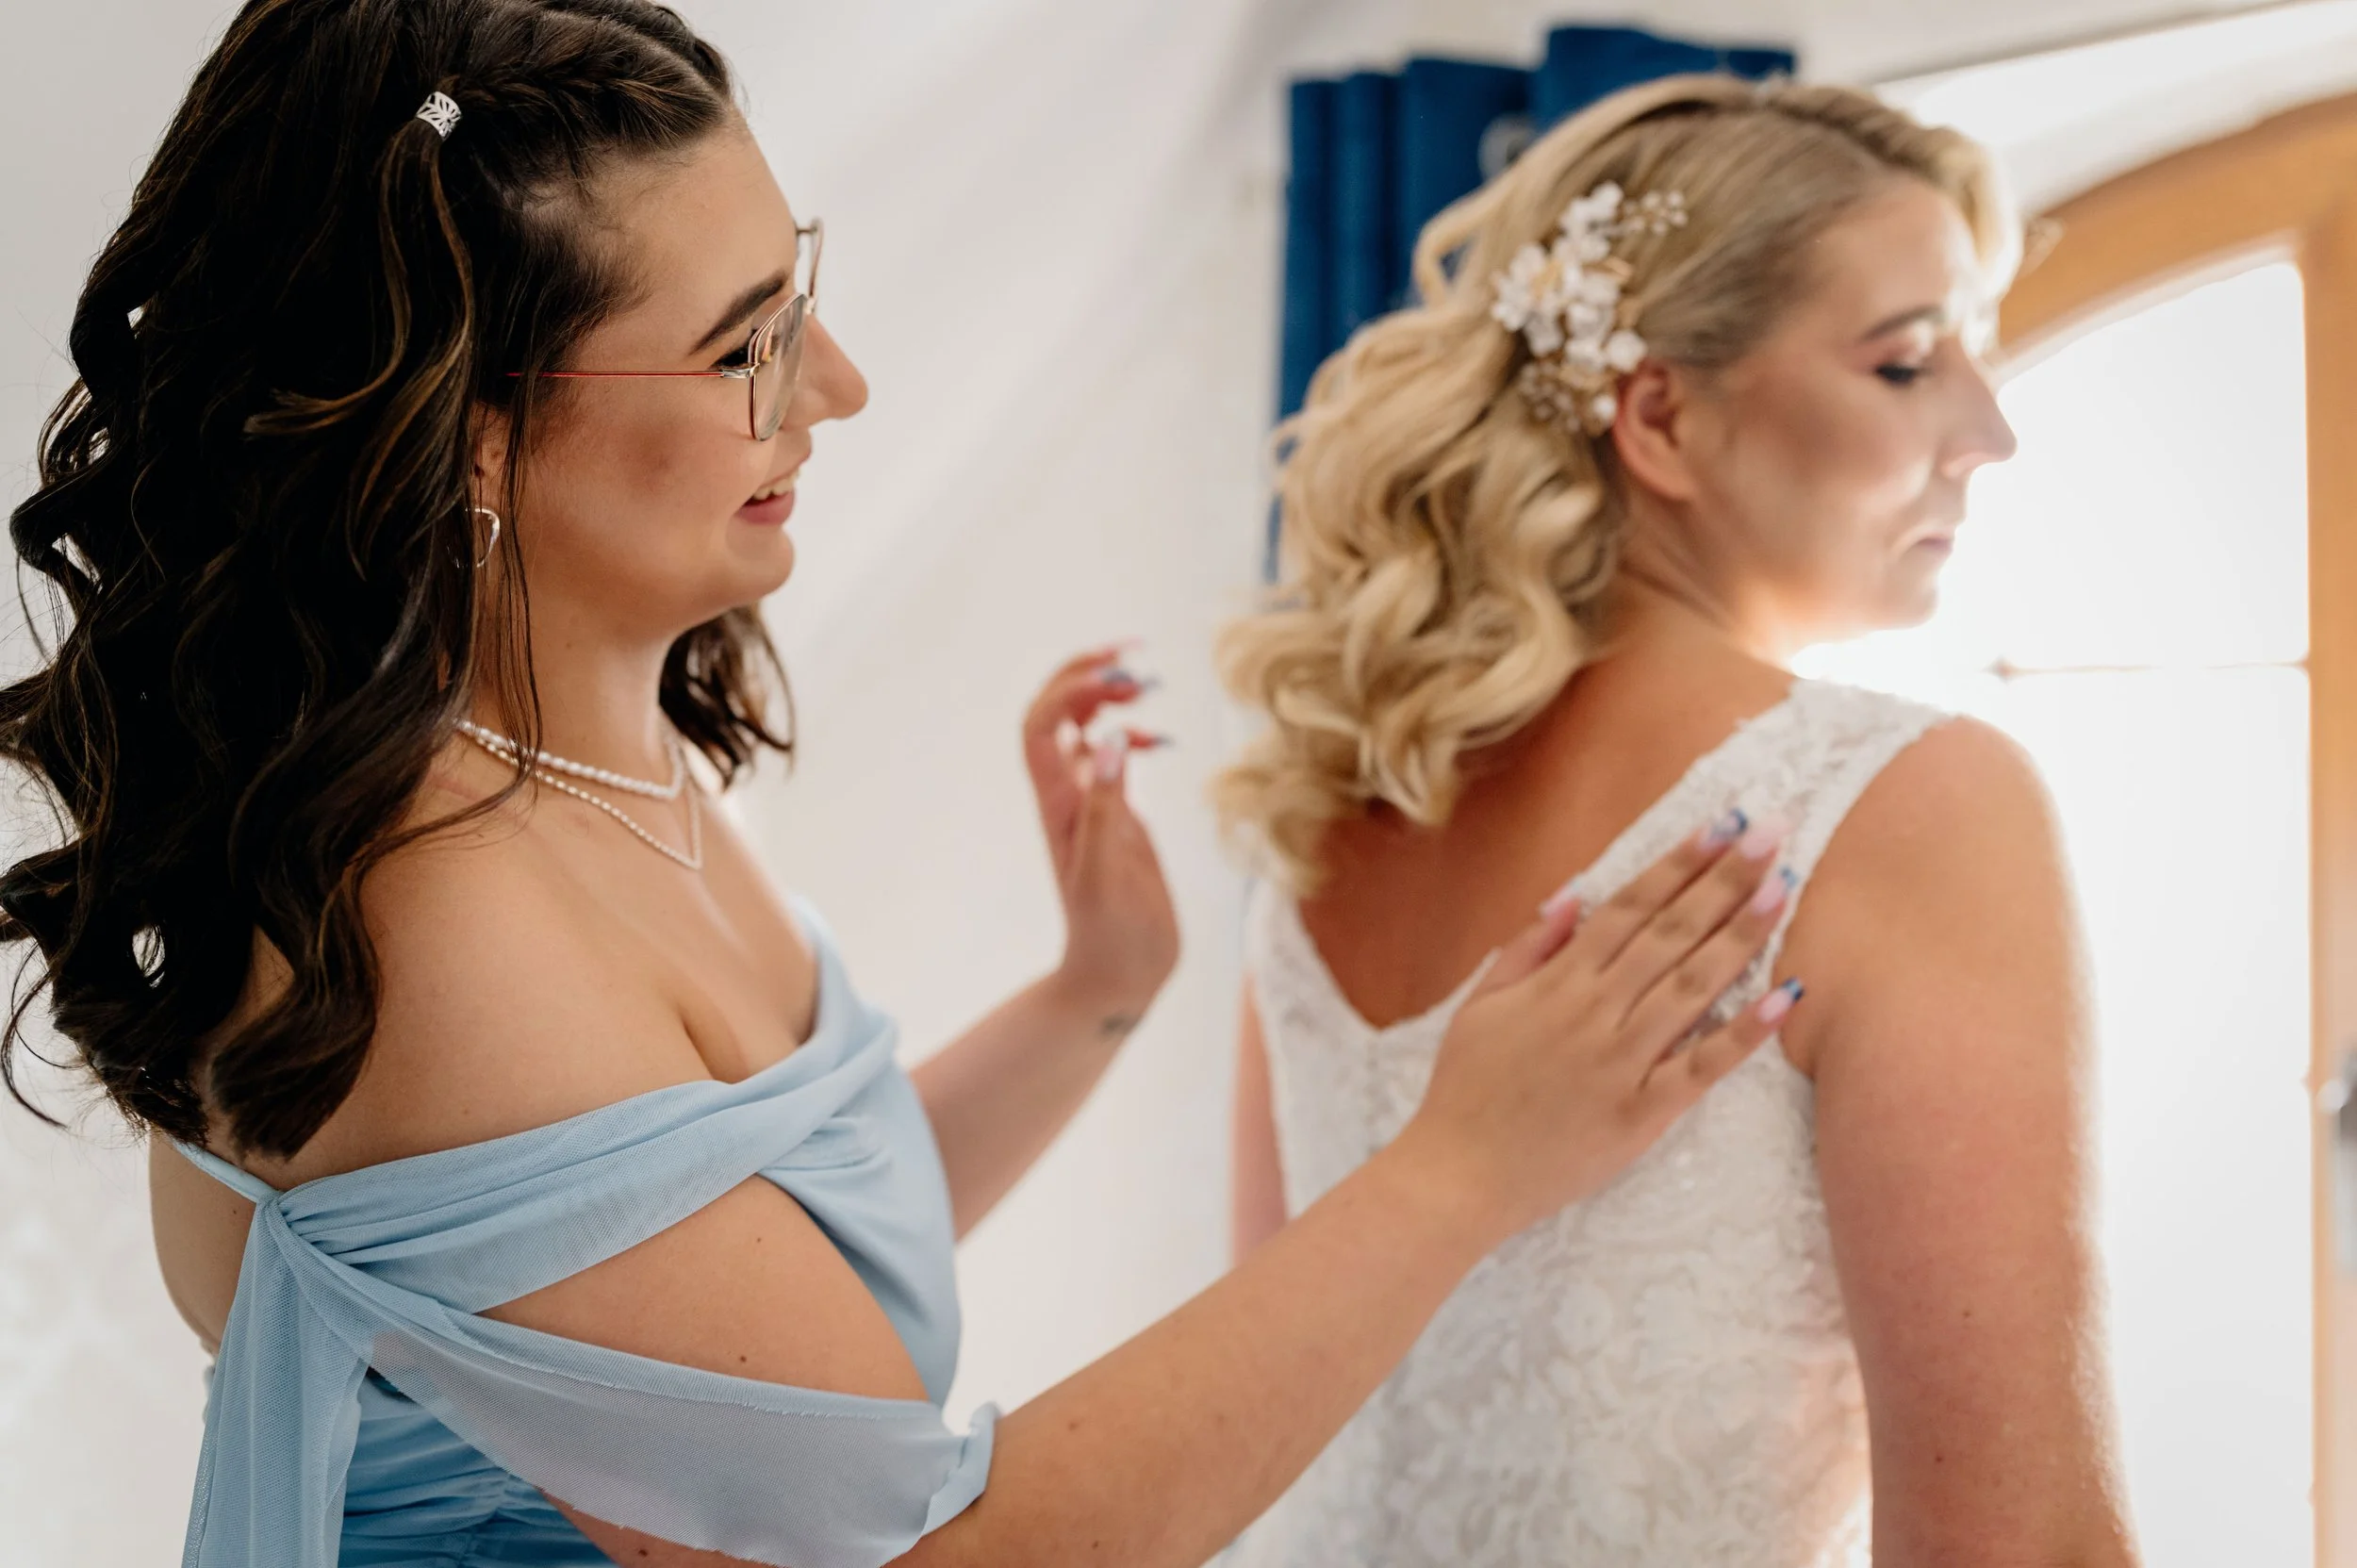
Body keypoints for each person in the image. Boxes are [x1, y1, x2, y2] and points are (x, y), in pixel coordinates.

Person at [0, 4, 1794, 1565]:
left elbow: (743, 1265)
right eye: (747, 345)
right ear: (473, 427)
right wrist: (1458, 1172)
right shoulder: (436, 933)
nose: (839, 388)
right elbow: (931, 1550)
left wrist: (1094, 996)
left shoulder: (588, 743)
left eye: (804, 298)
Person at [1218, 75, 2136, 1568]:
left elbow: (1251, 1413)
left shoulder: (1335, 819)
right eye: (1908, 362)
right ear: (1659, 416)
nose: (1990, 431)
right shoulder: (1909, 807)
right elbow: (2022, 1549)